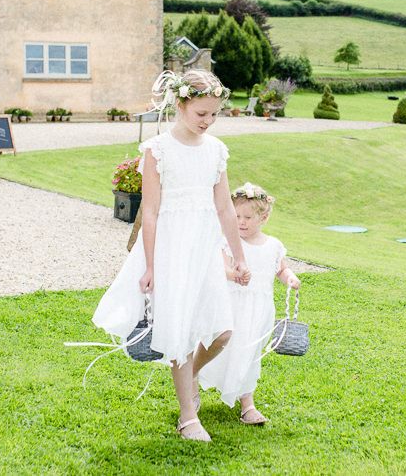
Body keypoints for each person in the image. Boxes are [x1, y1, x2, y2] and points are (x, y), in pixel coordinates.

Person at [92, 69, 250, 442]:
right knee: (178, 328)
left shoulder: (216, 150)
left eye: (214, 114)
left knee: (222, 330)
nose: (208, 122)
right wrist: (150, 265)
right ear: (180, 104)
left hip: (204, 246)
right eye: (201, 114)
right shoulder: (158, 150)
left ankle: (190, 375)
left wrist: (239, 256)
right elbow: (149, 211)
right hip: (171, 247)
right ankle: (187, 416)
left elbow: (226, 207)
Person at [199, 182, 301, 425]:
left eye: (247, 217)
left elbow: (281, 269)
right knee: (219, 348)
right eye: (236, 216)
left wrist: (290, 278)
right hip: (231, 306)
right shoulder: (230, 242)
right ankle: (193, 384)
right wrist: (233, 274)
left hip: (258, 312)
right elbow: (220, 267)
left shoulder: (273, 246)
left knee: (250, 354)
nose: (241, 222)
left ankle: (247, 403)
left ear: (263, 217)